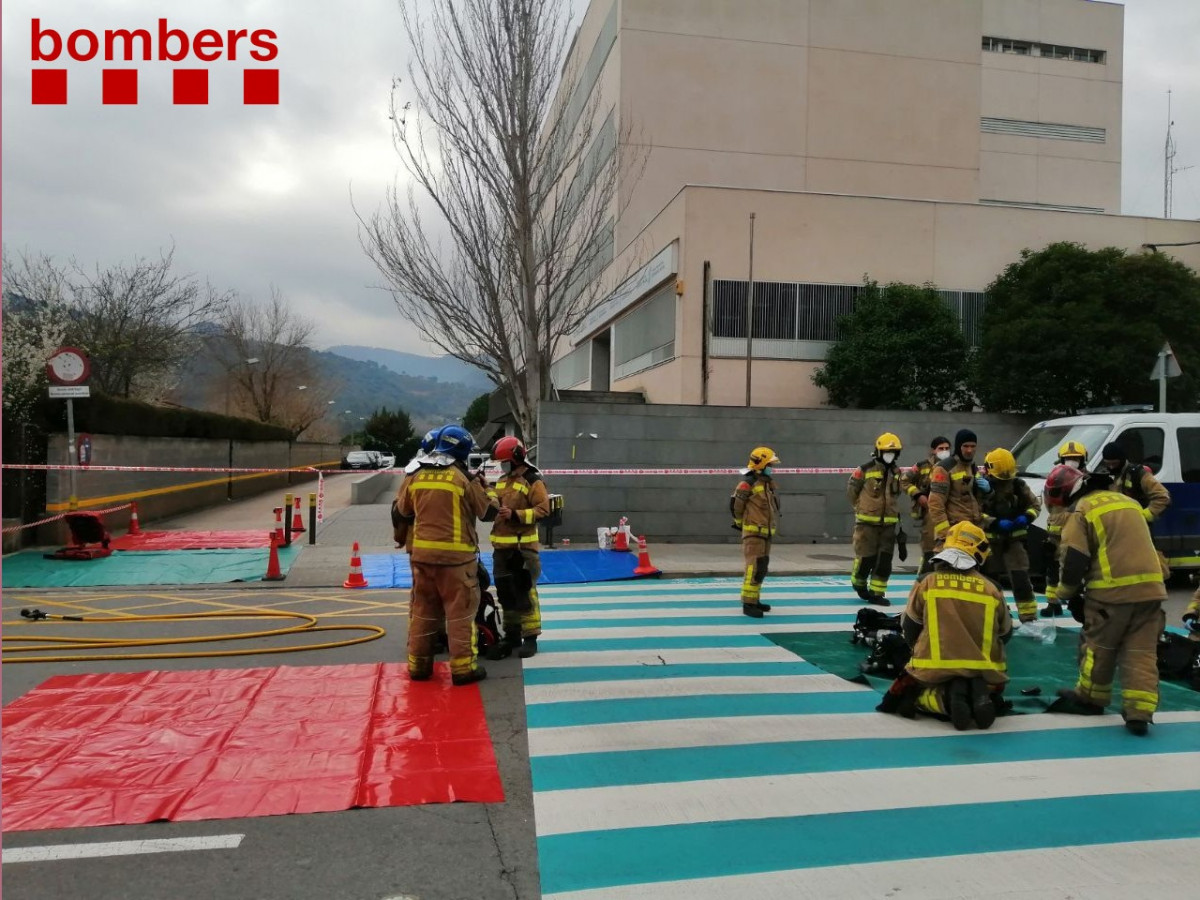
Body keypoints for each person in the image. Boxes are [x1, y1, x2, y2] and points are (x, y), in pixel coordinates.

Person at [1044, 463, 1168, 736]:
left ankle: (1091, 698)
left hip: (1111, 593)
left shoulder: (1082, 511)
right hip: (1151, 590)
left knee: (1098, 647)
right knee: (1141, 652)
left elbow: (1075, 559)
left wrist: (1066, 594)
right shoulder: (1129, 502)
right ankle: (1139, 713)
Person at [877, 521, 1012, 730]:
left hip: (933, 668)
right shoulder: (992, 589)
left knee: (909, 699)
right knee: (988, 684)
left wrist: (920, 650)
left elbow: (910, 626)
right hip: (985, 670)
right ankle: (979, 692)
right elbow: (1005, 633)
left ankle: (946, 699)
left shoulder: (927, 582)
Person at [397, 424, 499, 685]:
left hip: (421, 558)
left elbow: (403, 511)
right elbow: (487, 513)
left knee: (423, 612)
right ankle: (463, 670)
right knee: (460, 615)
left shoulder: (416, 474)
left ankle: (419, 667)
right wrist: (487, 489)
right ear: (462, 450)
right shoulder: (463, 477)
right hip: (457, 562)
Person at [486, 436, 551, 660]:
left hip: (523, 550)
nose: (501, 465)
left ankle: (530, 638)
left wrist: (516, 515)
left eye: (504, 461)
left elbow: (543, 509)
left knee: (524, 593)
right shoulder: (503, 480)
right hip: (502, 549)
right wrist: (484, 490)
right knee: (506, 595)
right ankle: (512, 635)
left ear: (515, 459)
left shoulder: (533, 481)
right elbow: (494, 501)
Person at [978, 448, 1041, 622]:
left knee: (1021, 579)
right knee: (991, 583)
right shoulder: (981, 487)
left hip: (1014, 541)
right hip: (990, 543)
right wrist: (994, 522)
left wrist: (1026, 516)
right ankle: (997, 617)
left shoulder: (1018, 485)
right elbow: (975, 513)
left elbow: (1035, 506)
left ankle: (1029, 617)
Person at [847, 433, 904, 605]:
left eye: (893, 452)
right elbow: (851, 492)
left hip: (888, 525)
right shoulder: (864, 470)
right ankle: (859, 583)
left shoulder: (896, 472)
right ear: (878, 451)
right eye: (887, 451)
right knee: (866, 558)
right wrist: (861, 508)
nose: (890, 455)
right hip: (867, 524)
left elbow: (896, 494)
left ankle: (877, 593)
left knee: (884, 561)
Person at [731, 447, 781, 618]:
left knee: (761, 567)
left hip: (765, 533)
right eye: (770, 464)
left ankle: (755, 599)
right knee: (753, 568)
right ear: (761, 464)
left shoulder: (767, 483)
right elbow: (736, 506)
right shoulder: (748, 483)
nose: (772, 467)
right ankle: (748, 603)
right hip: (754, 534)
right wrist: (740, 523)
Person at [1040, 440, 1088, 617]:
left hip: (1075, 532)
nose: (1072, 462)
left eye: (1076, 458)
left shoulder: (1086, 480)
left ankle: (1079, 602)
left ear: (1083, 460)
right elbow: (1049, 503)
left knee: (1076, 567)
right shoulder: (1055, 478)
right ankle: (1053, 603)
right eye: (1068, 458)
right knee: (1052, 569)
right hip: (1054, 533)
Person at [928, 428, 989, 550]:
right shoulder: (944, 468)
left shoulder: (972, 466)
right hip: (953, 534)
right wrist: (946, 534)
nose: (969, 450)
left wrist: (989, 492)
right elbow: (935, 504)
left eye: (973, 446)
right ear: (958, 446)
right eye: (965, 446)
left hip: (972, 532)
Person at [906, 436, 952, 577]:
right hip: (930, 513)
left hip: (950, 511)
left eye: (947, 448)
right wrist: (918, 495)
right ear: (933, 450)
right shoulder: (923, 466)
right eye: (941, 448)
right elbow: (904, 480)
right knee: (929, 549)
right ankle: (924, 580)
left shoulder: (954, 465)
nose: (944, 451)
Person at [1100, 442, 1172, 524]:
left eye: (1114, 463)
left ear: (1122, 459)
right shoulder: (1103, 475)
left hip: (1137, 529)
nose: (1111, 467)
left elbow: (1163, 497)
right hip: (1115, 527)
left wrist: (1143, 517)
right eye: (1108, 463)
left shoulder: (1138, 474)